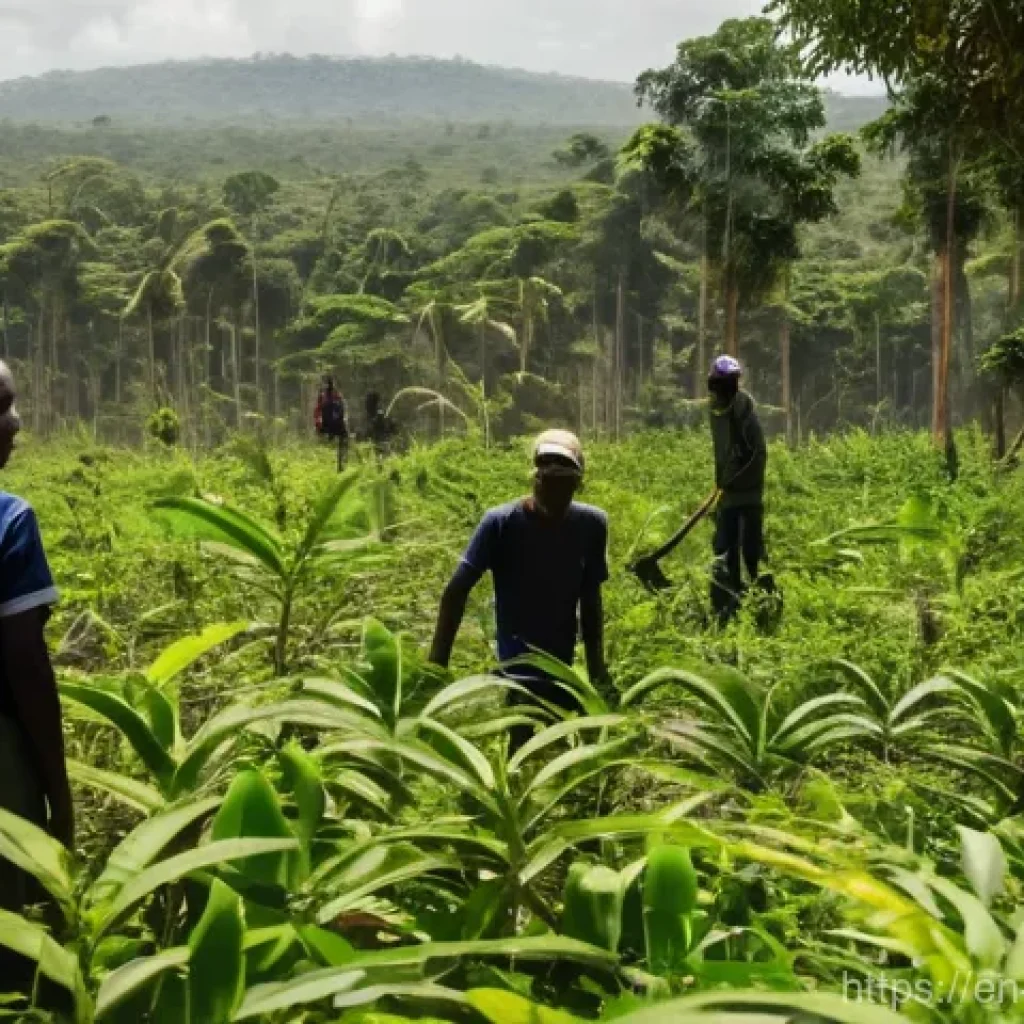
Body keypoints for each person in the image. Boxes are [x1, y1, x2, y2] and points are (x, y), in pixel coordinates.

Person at [429, 430, 610, 751]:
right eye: (546, 480)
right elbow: (456, 592)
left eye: (562, 484)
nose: (552, 492)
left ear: (577, 485)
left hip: (561, 670)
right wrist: (435, 669)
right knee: (520, 752)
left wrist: (597, 670)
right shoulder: (500, 524)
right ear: (534, 478)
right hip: (516, 675)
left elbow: (590, 598)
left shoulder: (591, 525)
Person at [0, 364, 71, 934]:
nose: (16, 422)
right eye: (2, 407)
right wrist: (57, 789)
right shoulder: (9, 519)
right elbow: (25, 665)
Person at [707, 355, 768, 625]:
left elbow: (759, 455)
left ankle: (762, 604)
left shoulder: (745, 414)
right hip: (728, 496)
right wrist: (722, 484)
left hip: (748, 495)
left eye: (729, 383)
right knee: (724, 549)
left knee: (751, 552)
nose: (724, 389)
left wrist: (737, 481)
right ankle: (728, 604)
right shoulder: (716, 410)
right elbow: (723, 454)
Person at [316, 377, 349, 470]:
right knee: (344, 437)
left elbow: (318, 412)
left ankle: (340, 463)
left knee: (343, 438)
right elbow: (342, 411)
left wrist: (319, 427)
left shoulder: (323, 396)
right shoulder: (336, 396)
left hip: (328, 426)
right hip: (335, 425)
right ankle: (341, 463)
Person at [362, 391, 398, 455]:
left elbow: (393, 430)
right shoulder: (371, 415)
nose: (365, 404)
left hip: (381, 446)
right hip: (376, 446)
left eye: (368, 402)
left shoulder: (380, 415)